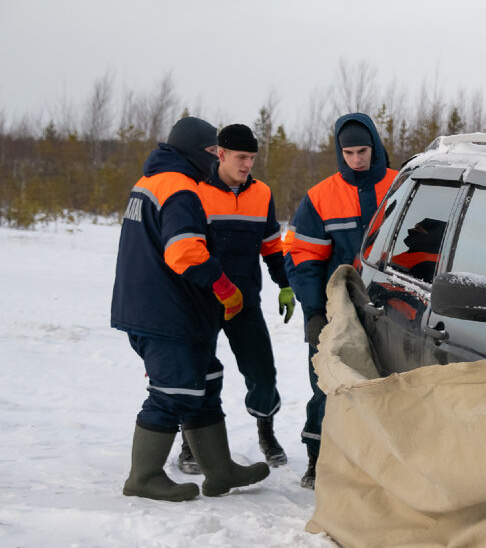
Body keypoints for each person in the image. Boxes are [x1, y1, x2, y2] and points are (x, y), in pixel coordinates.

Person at [110, 117, 270, 501]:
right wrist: (225, 287)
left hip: (154, 305)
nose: (217, 158)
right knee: (172, 390)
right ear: (196, 152)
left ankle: (220, 470)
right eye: (213, 152)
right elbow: (184, 252)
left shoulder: (150, 182)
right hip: (164, 310)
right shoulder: (179, 189)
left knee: (205, 380)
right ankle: (144, 476)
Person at [286, 113, 400, 488]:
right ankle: (317, 460)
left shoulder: (401, 185)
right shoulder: (320, 198)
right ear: (339, 152)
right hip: (339, 310)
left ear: (375, 147)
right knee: (328, 386)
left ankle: (384, 463)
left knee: (389, 386)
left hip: (395, 308)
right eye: (348, 152)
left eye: (363, 151)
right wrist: (313, 312)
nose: (357, 159)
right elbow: (304, 261)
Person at [176, 124, 292, 475]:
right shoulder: (195, 192)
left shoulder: (262, 193)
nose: (247, 165)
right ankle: (189, 445)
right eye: (241, 157)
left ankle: (265, 432)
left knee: (263, 373)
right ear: (220, 154)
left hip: (244, 300)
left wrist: (285, 284)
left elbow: (271, 246)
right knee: (198, 373)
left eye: (252, 158)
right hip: (202, 300)